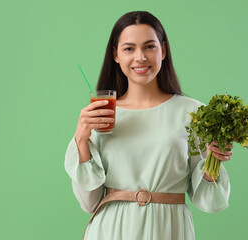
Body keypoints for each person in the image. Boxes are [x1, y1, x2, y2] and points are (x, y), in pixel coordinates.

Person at [65, 11, 234, 240]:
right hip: (110, 230)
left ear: (163, 50)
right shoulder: (102, 115)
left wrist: (213, 163)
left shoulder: (194, 113)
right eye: (129, 48)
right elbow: (89, 202)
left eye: (149, 47)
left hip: (169, 230)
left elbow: (208, 198)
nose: (140, 57)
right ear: (115, 55)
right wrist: (81, 139)